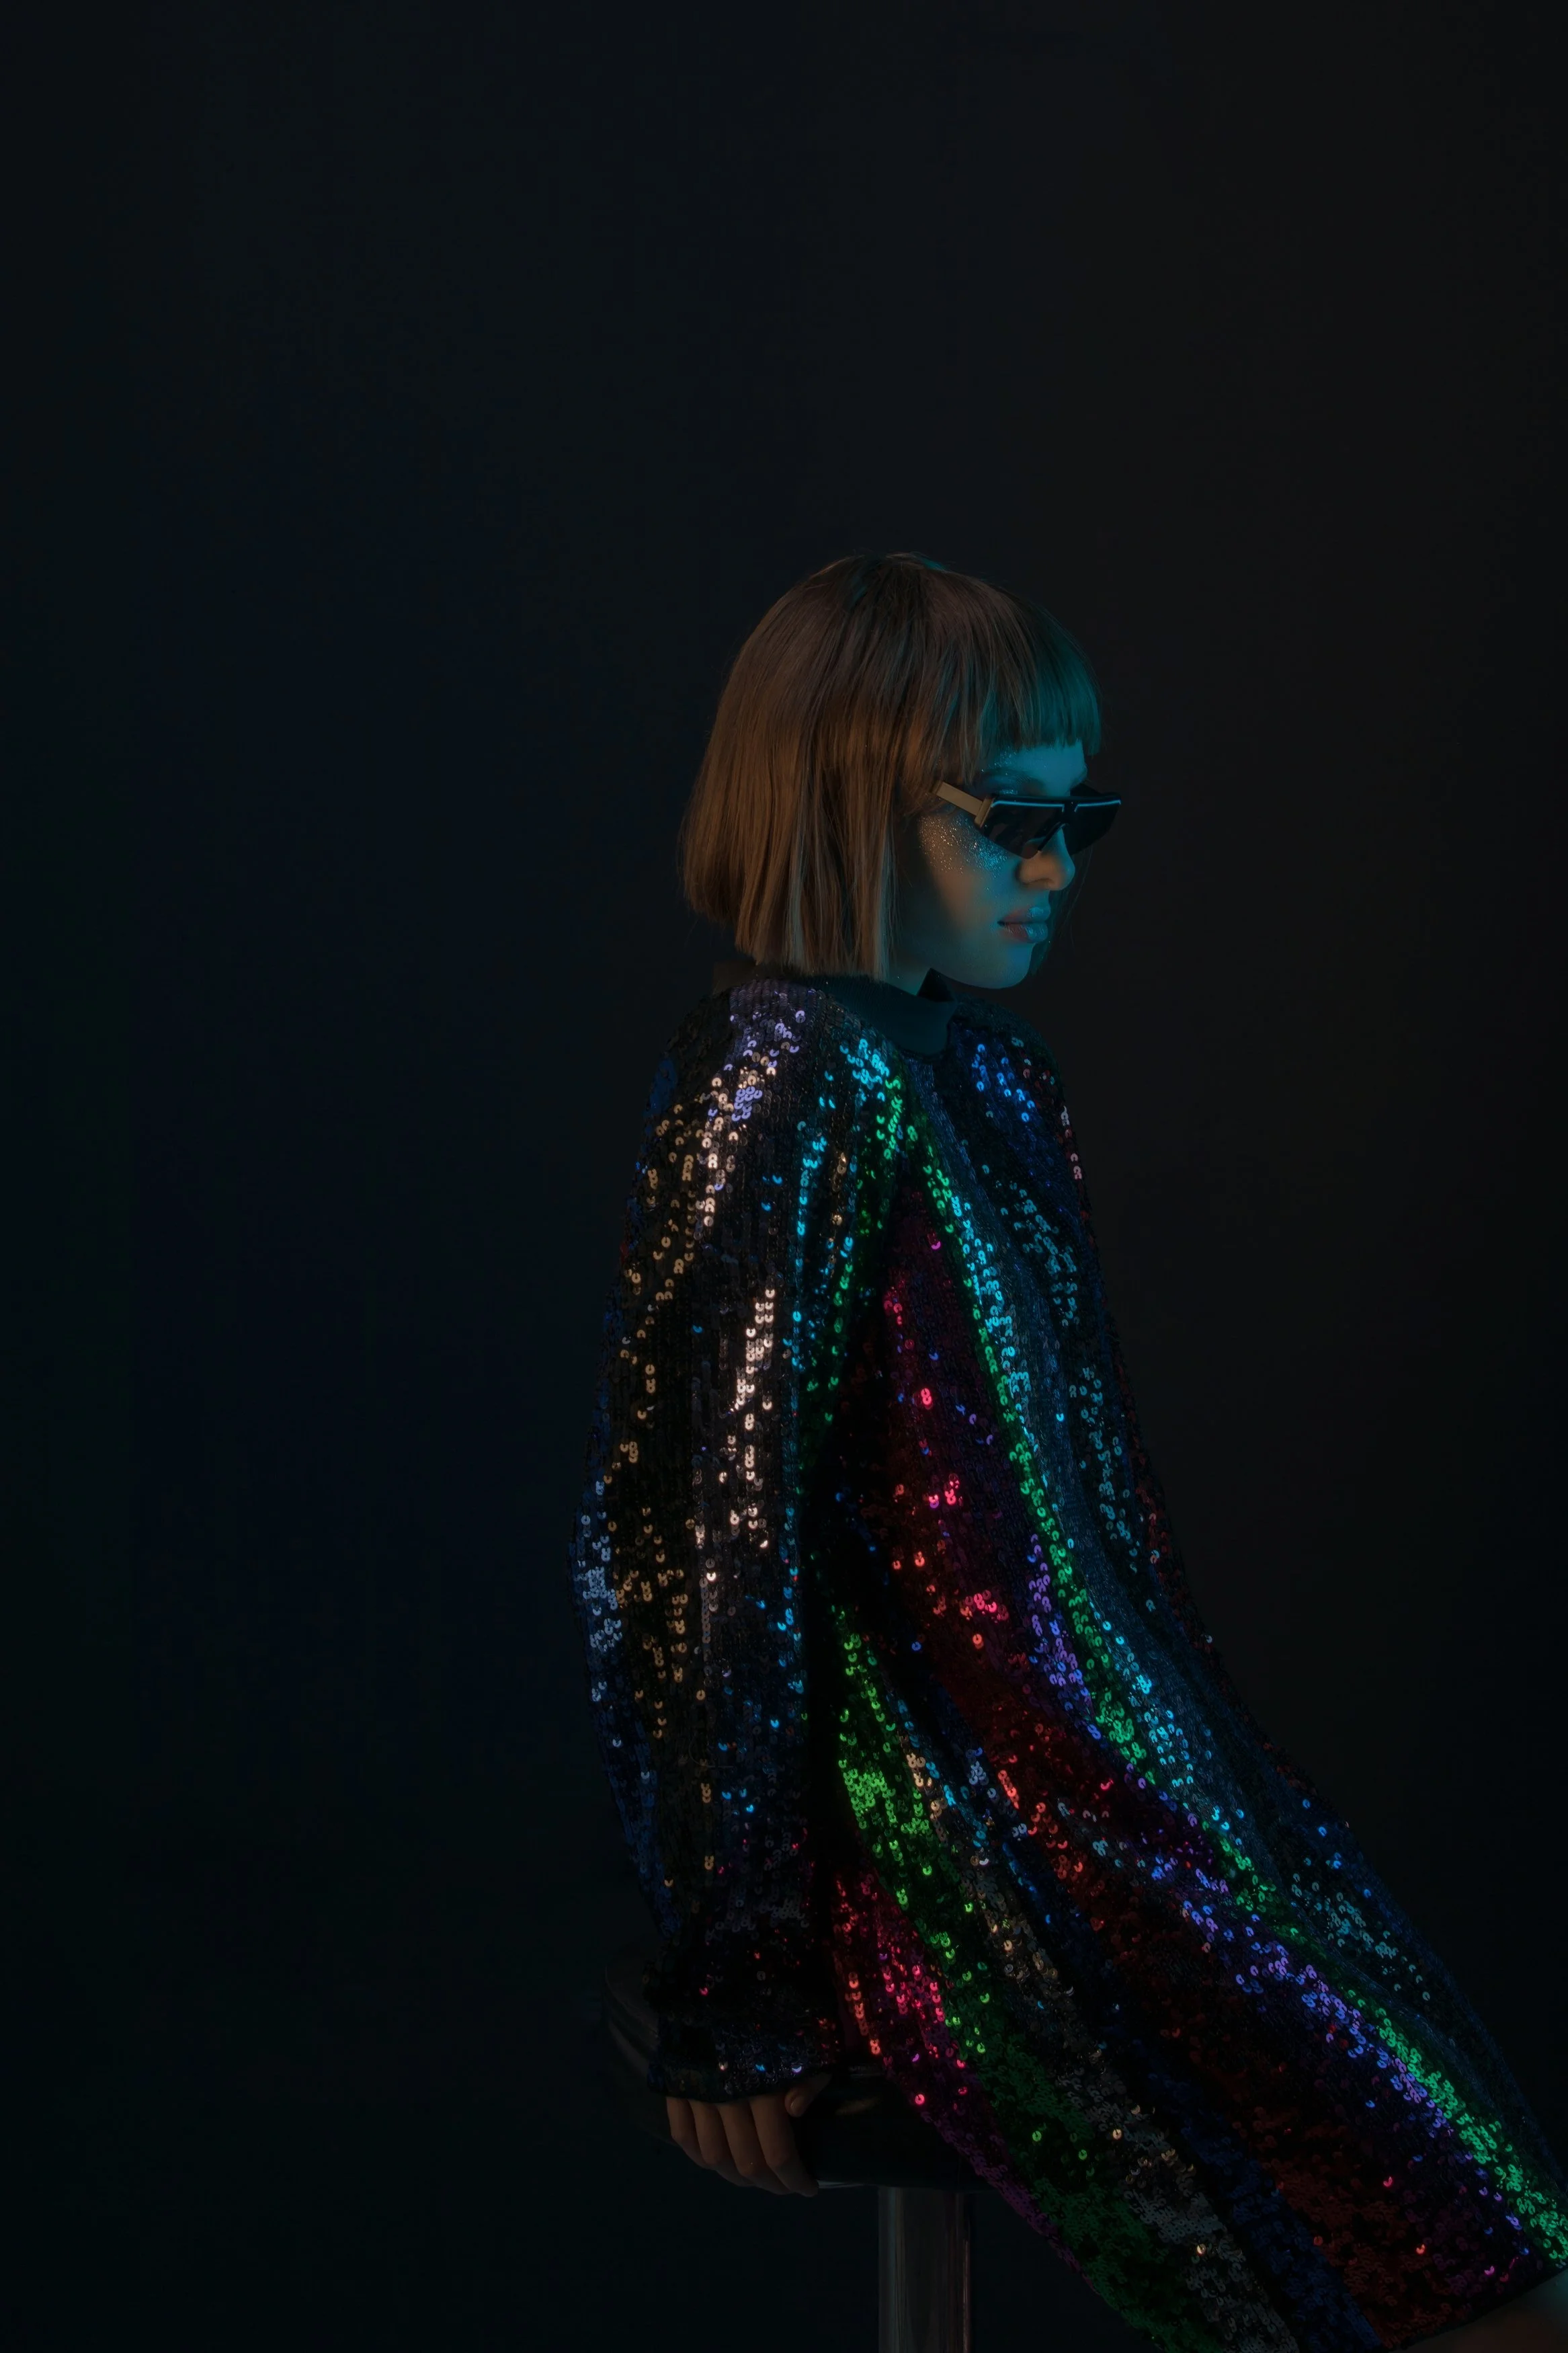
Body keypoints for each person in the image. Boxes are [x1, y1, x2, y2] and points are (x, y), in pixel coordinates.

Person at [567, 553, 1568, 2352]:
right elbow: (702, 1567)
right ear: (847, 801)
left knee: (1491, 2230)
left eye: (1077, 821)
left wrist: (1224, 1812)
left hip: (1145, 1797)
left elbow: (1096, 1531)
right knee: (1449, 2275)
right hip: (976, 1839)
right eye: (1009, 822)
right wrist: (744, 1979)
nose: (1056, 871)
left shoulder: (990, 1078)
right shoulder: (784, 1076)